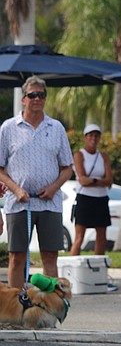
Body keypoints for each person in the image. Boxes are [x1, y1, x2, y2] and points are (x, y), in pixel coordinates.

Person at [0, 76, 74, 289]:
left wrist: (53, 188)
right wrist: (16, 189)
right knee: (17, 257)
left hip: (49, 203)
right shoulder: (8, 128)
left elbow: (67, 167)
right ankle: (16, 309)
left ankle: (49, 308)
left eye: (41, 95)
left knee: (50, 256)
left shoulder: (56, 127)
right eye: (32, 95)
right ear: (23, 99)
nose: (36, 99)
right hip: (19, 202)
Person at [70, 123, 113, 256]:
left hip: (101, 199)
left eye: (96, 136)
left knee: (101, 236)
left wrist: (92, 180)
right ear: (85, 137)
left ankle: (98, 265)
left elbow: (109, 181)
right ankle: (73, 265)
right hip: (85, 198)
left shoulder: (103, 156)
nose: (93, 138)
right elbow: (82, 180)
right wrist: (99, 181)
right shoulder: (79, 155)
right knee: (79, 237)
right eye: (90, 135)